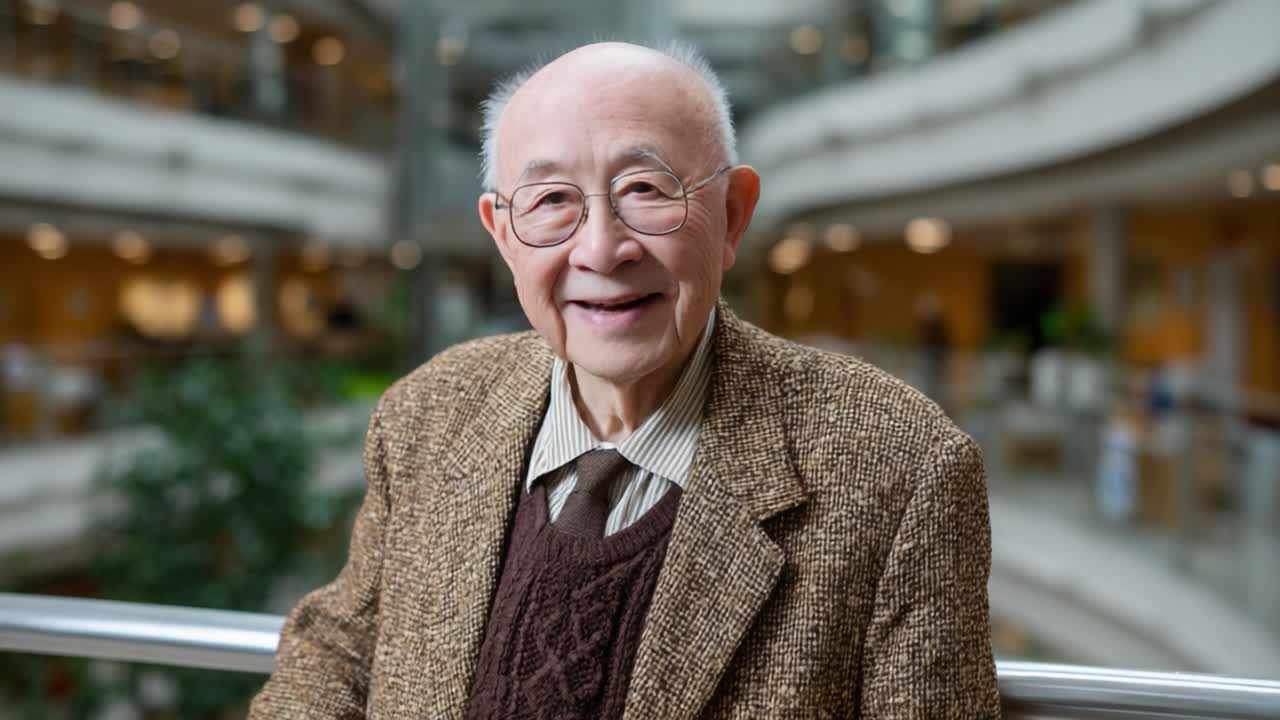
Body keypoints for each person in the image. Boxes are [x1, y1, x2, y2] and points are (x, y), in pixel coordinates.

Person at [250, 41, 1000, 719]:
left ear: (733, 214)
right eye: (551, 202)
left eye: (646, 189)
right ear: (501, 233)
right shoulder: (427, 413)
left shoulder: (902, 467)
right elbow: (340, 651)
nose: (602, 250)